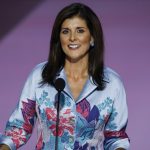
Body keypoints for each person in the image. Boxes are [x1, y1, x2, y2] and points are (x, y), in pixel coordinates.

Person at [0, 2, 130, 150]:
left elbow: (116, 138)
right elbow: (19, 128)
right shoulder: (40, 76)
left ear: (92, 38)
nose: (72, 38)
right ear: (59, 38)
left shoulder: (112, 83)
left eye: (80, 31)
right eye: (65, 31)